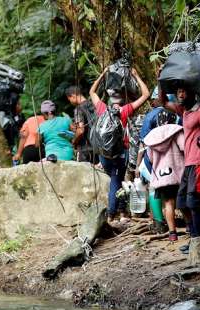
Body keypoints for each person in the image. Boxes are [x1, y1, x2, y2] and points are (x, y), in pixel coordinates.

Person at [89, 66, 150, 225]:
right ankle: (111, 215)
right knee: (117, 182)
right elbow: (146, 95)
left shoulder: (103, 110)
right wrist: (136, 76)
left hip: (104, 154)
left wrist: (103, 74)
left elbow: (92, 92)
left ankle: (122, 212)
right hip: (120, 153)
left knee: (117, 180)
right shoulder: (124, 111)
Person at [162, 87, 200, 254]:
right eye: (178, 91)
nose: (180, 94)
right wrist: (160, 81)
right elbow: (163, 102)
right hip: (188, 163)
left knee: (194, 202)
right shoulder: (184, 111)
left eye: (183, 91)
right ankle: (194, 238)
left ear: (193, 92)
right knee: (181, 202)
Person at [144, 118, 185, 241]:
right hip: (178, 173)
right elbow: (184, 148)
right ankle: (191, 227)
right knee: (183, 201)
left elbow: (150, 158)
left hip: (162, 176)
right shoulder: (176, 132)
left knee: (168, 203)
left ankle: (172, 233)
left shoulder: (152, 138)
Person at [65, 86, 97, 163]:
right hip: (98, 147)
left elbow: (80, 130)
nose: (70, 102)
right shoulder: (94, 104)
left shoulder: (78, 109)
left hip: (85, 149)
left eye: (69, 100)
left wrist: (74, 141)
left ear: (73, 96)